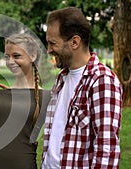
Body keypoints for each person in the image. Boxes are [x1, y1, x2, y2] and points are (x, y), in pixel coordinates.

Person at [41, 7, 123, 168]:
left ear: (74, 42)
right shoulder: (62, 77)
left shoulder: (102, 80)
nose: (49, 50)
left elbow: (107, 148)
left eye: (52, 43)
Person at [0, 33, 51, 169]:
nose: (10, 61)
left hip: (23, 164)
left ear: (33, 55)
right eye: (7, 57)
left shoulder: (48, 98)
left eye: (16, 56)